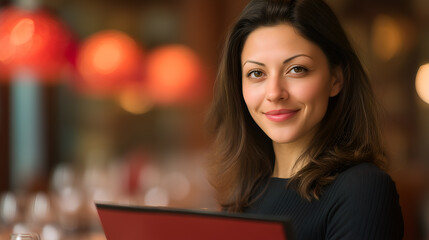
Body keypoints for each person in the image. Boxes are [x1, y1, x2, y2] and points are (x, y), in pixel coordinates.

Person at [206, 0, 404, 239]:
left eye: (297, 69)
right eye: (256, 73)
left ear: (335, 79)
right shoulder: (246, 193)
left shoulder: (363, 189)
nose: (274, 93)